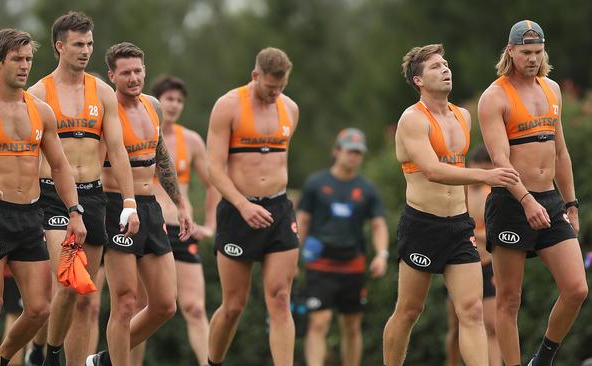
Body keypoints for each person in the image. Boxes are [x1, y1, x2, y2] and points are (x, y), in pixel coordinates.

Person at [0, 28, 86, 366]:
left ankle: (1, 357)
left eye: (29, 60)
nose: (25, 66)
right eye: (17, 59)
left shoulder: (41, 111)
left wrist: (75, 212)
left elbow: (61, 167)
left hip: (29, 215)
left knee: (40, 308)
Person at [383, 43, 520, 366]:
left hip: (459, 226)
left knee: (471, 311)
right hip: (422, 224)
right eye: (435, 67)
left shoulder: (463, 116)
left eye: (446, 64)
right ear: (418, 80)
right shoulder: (412, 120)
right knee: (408, 311)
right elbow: (432, 171)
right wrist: (489, 176)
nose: (446, 70)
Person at [27, 11, 139, 366]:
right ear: (60, 46)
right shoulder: (39, 92)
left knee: (80, 291)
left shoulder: (102, 92)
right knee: (66, 276)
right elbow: (27, 153)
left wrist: (129, 201)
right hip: (51, 196)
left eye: (90, 44)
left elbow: (118, 151)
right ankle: (48, 355)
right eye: (78, 44)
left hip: (92, 194)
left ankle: (53, 351)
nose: (86, 51)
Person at [478, 20, 588, 366]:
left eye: (538, 52)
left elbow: (561, 153)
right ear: (510, 51)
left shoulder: (552, 89)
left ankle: (543, 358)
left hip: (550, 200)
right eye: (525, 52)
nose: (532, 59)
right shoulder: (494, 97)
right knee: (509, 300)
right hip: (511, 203)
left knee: (577, 289)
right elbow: (500, 162)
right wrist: (526, 201)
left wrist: (571, 204)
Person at [83, 42, 193, 366]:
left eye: (138, 70)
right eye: (125, 72)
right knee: (125, 302)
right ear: (112, 75)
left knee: (165, 305)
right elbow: (88, 165)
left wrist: (181, 204)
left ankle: (104, 360)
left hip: (150, 205)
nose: (133, 78)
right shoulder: (106, 112)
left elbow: (161, 155)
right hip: (115, 205)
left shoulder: (153, 106)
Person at [206, 47, 299, 366]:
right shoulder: (228, 105)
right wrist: (243, 205)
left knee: (281, 298)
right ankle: (212, 361)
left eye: (281, 87)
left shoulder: (290, 109)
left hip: (278, 210)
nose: (275, 94)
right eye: (270, 87)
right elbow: (214, 168)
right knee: (233, 306)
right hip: (237, 212)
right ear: (255, 75)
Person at [297, 128, 389, 366]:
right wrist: (294, 257)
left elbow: (378, 225)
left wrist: (381, 253)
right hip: (320, 263)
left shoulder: (367, 189)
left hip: (353, 265)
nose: (354, 157)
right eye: (350, 151)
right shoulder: (316, 184)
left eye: (359, 153)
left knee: (351, 325)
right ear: (336, 151)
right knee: (319, 322)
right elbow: (303, 221)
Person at [149, 75, 219, 366]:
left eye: (179, 100)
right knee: (139, 307)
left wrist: (211, 225)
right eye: (169, 99)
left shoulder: (190, 140)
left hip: (182, 230)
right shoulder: (141, 132)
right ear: (156, 101)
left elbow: (214, 183)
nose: (174, 105)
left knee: (194, 307)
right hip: (150, 227)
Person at [444, 146, 502, 366]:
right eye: (481, 171)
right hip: (460, 265)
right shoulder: (460, 189)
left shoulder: (492, 193)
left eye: (488, 171)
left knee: (491, 326)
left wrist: (478, 233)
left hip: (487, 265)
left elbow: (498, 231)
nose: (485, 176)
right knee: (457, 327)